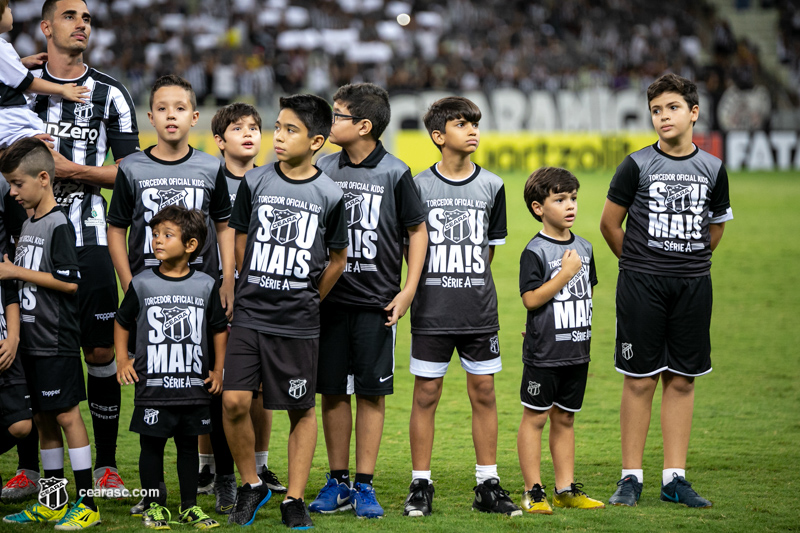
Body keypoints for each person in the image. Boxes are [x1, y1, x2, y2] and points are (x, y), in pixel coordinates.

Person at [2, 0, 142, 500]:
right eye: (69, 15)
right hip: (23, 246)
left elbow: (131, 171)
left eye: (86, 17)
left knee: (101, 350)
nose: (81, 23)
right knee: (30, 354)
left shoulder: (111, 94)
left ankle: (105, 467)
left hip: (90, 240)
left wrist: (71, 171)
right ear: (45, 28)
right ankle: (31, 470)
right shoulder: (16, 86)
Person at [599, 73, 733, 508]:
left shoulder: (713, 168)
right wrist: (641, 263)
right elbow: (608, 224)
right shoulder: (636, 164)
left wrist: (687, 259)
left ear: (694, 113)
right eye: (656, 110)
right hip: (642, 285)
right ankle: (630, 478)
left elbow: (715, 226)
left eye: (672, 108)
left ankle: (675, 478)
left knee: (682, 379)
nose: (662, 117)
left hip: (693, 285)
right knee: (639, 380)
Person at [106, 74, 233, 516]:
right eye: (162, 108)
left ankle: (219, 481)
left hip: (202, 294)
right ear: (151, 117)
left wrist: (228, 279)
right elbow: (117, 227)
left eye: (180, 108)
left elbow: (223, 226)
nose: (171, 115)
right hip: (152, 295)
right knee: (155, 387)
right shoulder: (133, 168)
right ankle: (153, 493)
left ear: (194, 117)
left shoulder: (210, 167)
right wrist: (129, 281)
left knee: (205, 390)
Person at [222, 94, 348, 529]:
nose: (278, 136)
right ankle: (251, 483)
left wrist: (313, 296)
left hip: (298, 320)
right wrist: (242, 282)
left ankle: (293, 497)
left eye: (290, 130)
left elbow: (338, 259)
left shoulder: (331, 194)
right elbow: (240, 235)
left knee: (300, 409)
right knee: (235, 400)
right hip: (252, 312)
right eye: (277, 127)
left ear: (316, 141)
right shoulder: (255, 181)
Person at [309, 82, 427, 519]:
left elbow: (417, 230)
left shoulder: (396, 171)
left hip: (377, 303)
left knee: (372, 394)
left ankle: (364, 485)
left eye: (337, 115)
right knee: (333, 392)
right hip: (329, 301)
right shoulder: (322, 166)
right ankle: (337, 481)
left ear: (363, 126)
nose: (330, 122)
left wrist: (408, 289)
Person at [403, 96, 520, 518]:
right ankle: (421, 484)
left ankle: (487, 483)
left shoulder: (492, 185)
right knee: (426, 394)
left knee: (484, 392)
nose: (472, 130)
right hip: (431, 311)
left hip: (477, 311)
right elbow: (409, 248)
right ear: (438, 136)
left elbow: (489, 252)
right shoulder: (416, 186)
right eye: (461, 123)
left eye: (475, 123)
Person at [0, 137, 99, 530]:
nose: (13, 192)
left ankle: (87, 502)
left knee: (67, 415)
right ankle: (53, 502)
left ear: (44, 178)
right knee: (42, 419)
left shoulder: (58, 224)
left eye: (17, 184)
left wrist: (15, 272)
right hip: (31, 341)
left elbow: (70, 282)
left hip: (56, 338)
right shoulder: (28, 224)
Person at [192, 103, 284, 511]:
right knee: (210, 381)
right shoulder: (210, 179)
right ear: (219, 140)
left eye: (254, 127)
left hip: (260, 295)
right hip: (215, 295)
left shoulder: (272, 179)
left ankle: (259, 465)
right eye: (237, 128)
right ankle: (208, 465)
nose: (248, 134)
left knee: (259, 387)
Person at [115, 205, 228, 529]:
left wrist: (218, 371)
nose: (157, 241)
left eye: (167, 235)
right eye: (154, 235)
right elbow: (122, 322)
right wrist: (123, 359)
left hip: (193, 387)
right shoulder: (143, 283)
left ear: (191, 245)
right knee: (150, 446)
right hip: (152, 386)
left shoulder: (207, 285)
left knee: (188, 447)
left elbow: (219, 329)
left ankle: (189, 506)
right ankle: (153, 504)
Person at [516, 166, 605, 514]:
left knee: (566, 418)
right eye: (560, 199)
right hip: (544, 354)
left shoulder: (584, 246)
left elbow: (586, 294)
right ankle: (532, 490)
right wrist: (566, 274)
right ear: (539, 207)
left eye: (573, 198)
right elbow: (531, 299)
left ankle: (565, 489)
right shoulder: (535, 251)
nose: (570, 206)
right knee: (535, 418)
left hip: (576, 350)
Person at [0, 0, 89, 149]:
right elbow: (28, 83)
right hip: (11, 126)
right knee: (41, 154)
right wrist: (62, 89)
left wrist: (19, 63)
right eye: (7, 7)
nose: (11, 10)